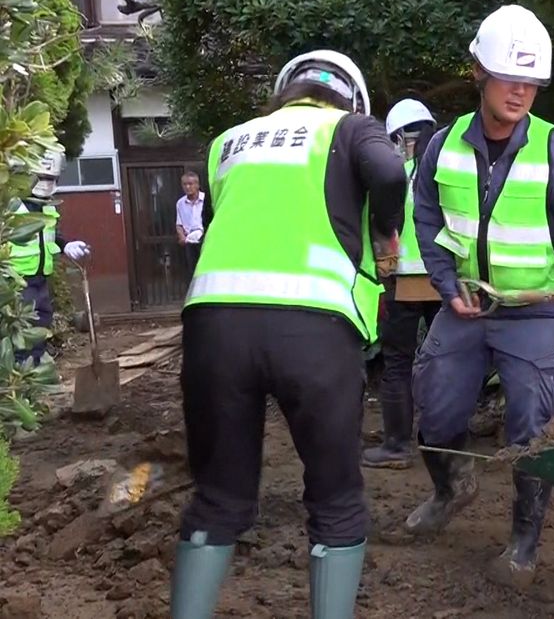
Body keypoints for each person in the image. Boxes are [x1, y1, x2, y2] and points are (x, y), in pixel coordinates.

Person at [169, 49, 408, 619]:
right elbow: (391, 172)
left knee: (219, 497)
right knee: (335, 498)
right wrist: (384, 229)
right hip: (313, 332)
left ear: (285, 91)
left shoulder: (228, 143)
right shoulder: (349, 128)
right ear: (353, 98)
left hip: (214, 329)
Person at [404, 4, 554, 589]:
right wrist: (445, 284)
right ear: (479, 73)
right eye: (509, 78)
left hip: (533, 312)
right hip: (465, 307)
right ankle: (451, 487)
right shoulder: (441, 148)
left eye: (531, 82)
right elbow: (426, 218)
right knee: (436, 412)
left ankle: (525, 539)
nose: (521, 92)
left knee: (534, 429)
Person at [361, 98, 441, 469]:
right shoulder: (447, 173)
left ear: (398, 138)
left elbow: (381, 229)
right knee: (450, 357)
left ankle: (397, 445)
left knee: (397, 362)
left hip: (404, 280)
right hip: (446, 279)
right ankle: (445, 438)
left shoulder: (396, 176)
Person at [11, 150, 91, 365]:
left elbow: (51, 235)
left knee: (40, 332)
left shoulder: (47, 206)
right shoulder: (12, 207)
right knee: (21, 338)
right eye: (43, 178)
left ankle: (34, 377)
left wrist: (66, 246)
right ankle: (20, 387)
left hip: (40, 281)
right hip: (17, 281)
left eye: (52, 179)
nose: (47, 184)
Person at [175, 170, 205, 281]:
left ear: (197, 185)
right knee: (192, 273)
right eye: (185, 184)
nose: (188, 187)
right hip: (190, 242)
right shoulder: (180, 203)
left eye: (190, 184)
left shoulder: (206, 200)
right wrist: (181, 237)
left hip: (205, 240)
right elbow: (179, 224)